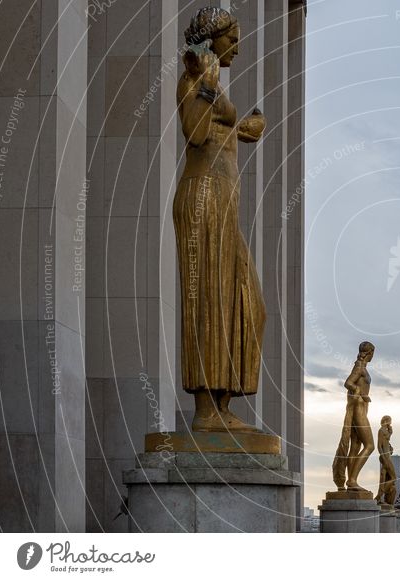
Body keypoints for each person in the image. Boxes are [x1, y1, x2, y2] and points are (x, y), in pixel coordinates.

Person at [173, 7, 266, 432]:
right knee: (209, 300)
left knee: (249, 304)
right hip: (203, 201)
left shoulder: (210, 79)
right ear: (212, 40)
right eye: (232, 38)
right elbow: (193, 132)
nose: (239, 46)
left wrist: (243, 126)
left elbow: (216, 133)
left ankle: (223, 402)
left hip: (222, 205)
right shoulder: (195, 77)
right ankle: (206, 411)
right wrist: (209, 85)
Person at [332, 342, 376, 491]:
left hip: (361, 406)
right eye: (372, 353)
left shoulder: (362, 367)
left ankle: (352, 481)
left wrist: (363, 395)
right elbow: (348, 383)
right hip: (359, 408)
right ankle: (352, 479)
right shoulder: (359, 367)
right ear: (369, 353)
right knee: (370, 445)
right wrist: (360, 393)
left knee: (355, 446)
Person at [375, 415, 397, 505]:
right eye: (390, 421)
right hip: (386, 458)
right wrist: (383, 457)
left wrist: (390, 433)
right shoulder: (381, 431)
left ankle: (379, 496)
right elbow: (379, 446)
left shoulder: (386, 431)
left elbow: (386, 442)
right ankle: (380, 494)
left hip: (387, 456)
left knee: (384, 477)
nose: (390, 423)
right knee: (394, 477)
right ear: (386, 421)